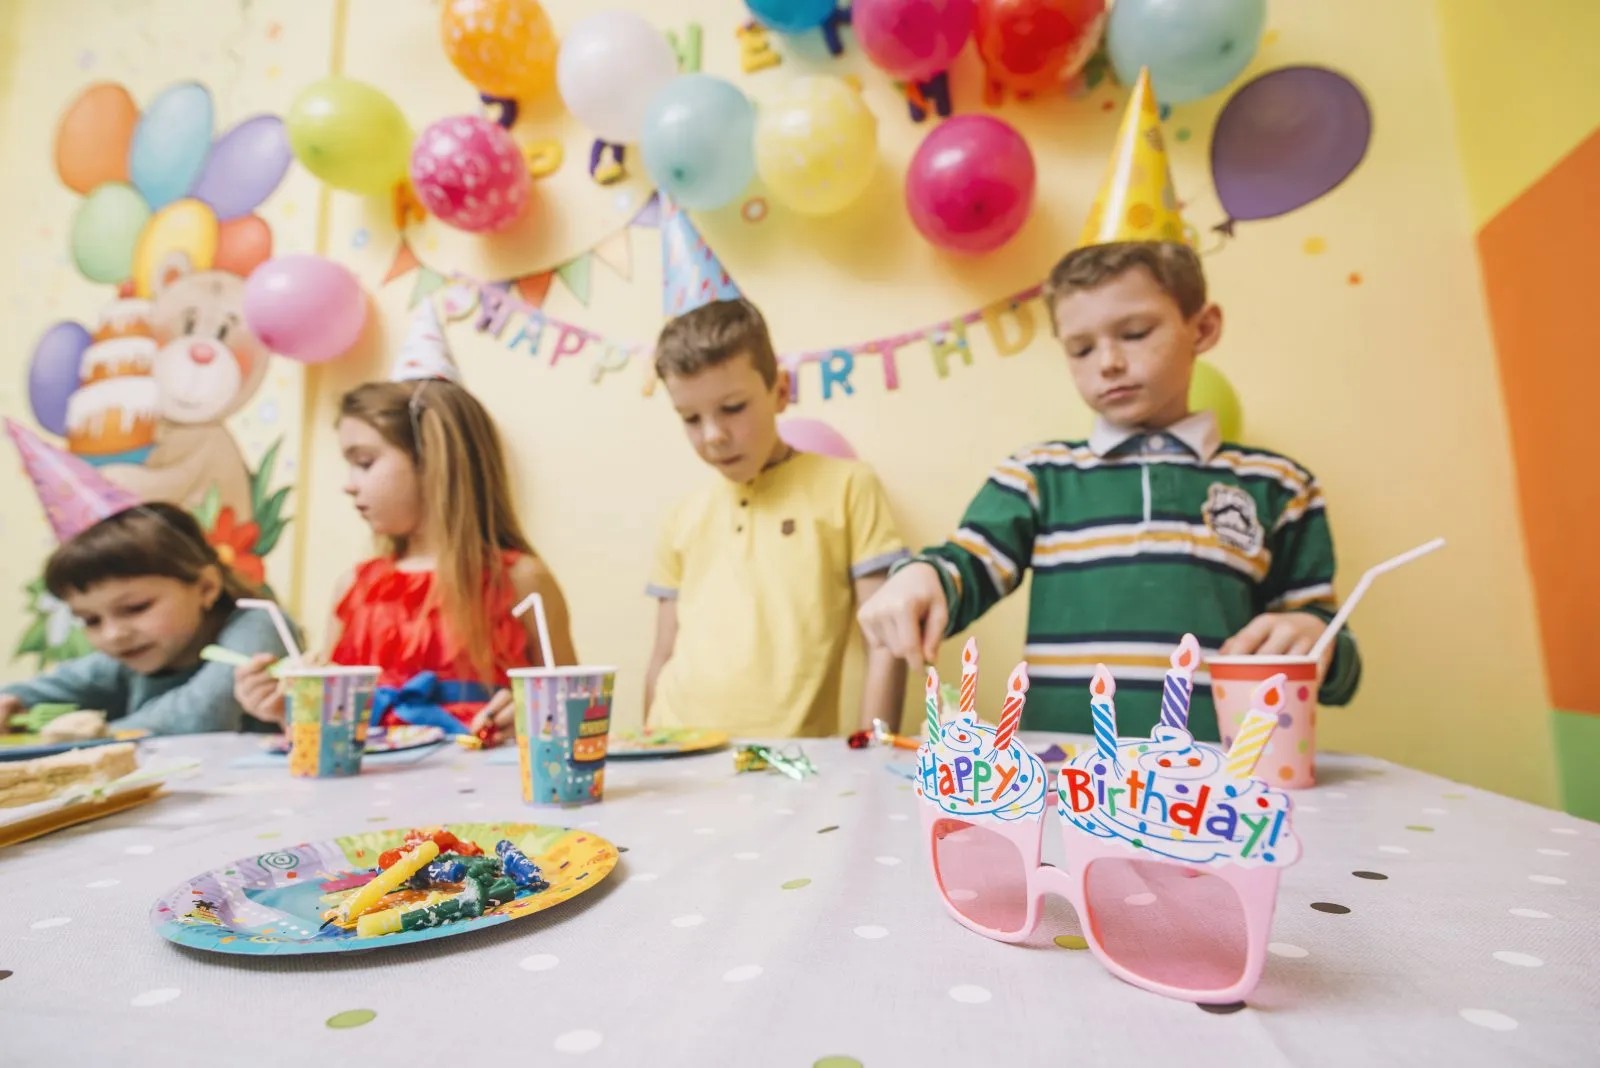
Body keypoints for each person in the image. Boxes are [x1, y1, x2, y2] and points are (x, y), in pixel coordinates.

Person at [857, 72, 1360, 740]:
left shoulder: (1281, 487)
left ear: (1203, 328)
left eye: (1135, 333)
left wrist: (1314, 638)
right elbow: (968, 566)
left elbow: (1338, 659)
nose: (1109, 363)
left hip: (1221, 781)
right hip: (1070, 782)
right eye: (1081, 348)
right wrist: (921, 575)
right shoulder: (1037, 478)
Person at [233, 303, 575, 741]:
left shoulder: (521, 582)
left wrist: (529, 716)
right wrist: (286, 708)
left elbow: (572, 712)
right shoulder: (354, 590)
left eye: (365, 462)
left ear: (434, 460)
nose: (348, 485)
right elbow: (330, 729)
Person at [645, 297, 909, 737]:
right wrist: (650, 752)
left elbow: (884, 642)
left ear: (781, 392)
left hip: (790, 759)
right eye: (690, 418)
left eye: (733, 408)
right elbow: (662, 655)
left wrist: (877, 751)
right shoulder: (683, 516)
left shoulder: (850, 487)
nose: (713, 436)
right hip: (677, 747)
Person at [0, 502, 294, 734]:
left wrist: (97, 735)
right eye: (91, 620)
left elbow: (202, 714)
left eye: (136, 608)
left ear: (206, 587)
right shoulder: (128, 657)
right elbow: (48, 688)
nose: (113, 634)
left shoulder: (260, 624)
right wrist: (12, 702)